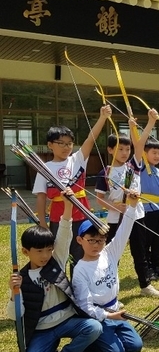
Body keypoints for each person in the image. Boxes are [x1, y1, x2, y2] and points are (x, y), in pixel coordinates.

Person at [6, 189, 102, 352]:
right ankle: (48, 349)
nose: (45, 256)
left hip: (67, 322)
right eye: (39, 251)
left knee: (94, 327)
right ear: (25, 252)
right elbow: (14, 315)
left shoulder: (55, 261)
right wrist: (13, 292)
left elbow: (64, 234)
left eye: (49, 250)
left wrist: (68, 205)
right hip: (42, 330)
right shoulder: (22, 278)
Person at [33, 105, 112, 270]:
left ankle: (80, 286)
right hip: (58, 219)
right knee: (60, 254)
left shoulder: (77, 159)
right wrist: (43, 223)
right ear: (50, 145)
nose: (66, 147)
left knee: (81, 254)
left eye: (69, 143)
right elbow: (41, 197)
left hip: (82, 216)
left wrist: (102, 118)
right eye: (60, 143)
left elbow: (91, 139)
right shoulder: (44, 168)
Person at [95, 111, 159, 297]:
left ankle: (145, 285)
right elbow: (99, 198)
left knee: (139, 251)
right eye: (119, 149)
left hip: (137, 215)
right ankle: (108, 287)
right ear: (109, 150)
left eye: (127, 149)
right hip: (115, 218)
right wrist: (114, 206)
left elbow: (140, 144)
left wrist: (148, 122)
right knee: (111, 252)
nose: (124, 153)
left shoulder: (134, 165)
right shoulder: (105, 171)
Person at [72, 191, 145, 352]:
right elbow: (85, 305)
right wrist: (108, 316)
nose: (96, 245)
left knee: (135, 346)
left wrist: (132, 206)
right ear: (79, 240)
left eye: (100, 240)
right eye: (91, 240)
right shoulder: (80, 270)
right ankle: (91, 341)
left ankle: (108, 336)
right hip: (99, 317)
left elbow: (124, 230)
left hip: (116, 311)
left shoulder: (110, 253)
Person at [140, 136, 159, 289]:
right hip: (146, 211)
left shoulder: (158, 171)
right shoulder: (140, 167)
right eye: (154, 152)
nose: (157, 156)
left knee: (158, 240)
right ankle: (147, 270)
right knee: (147, 241)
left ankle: (157, 267)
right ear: (145, 153)